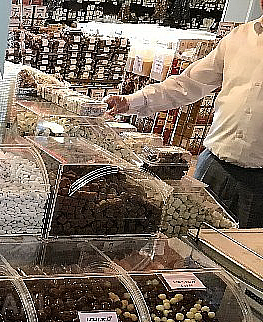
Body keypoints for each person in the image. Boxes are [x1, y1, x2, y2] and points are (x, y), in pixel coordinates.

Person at [105, 12, 263, 228]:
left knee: (245, 247)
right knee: (189, 236)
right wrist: (130, 102)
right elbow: (187, 84)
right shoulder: (239, 37)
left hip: (259, 182)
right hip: (213, 166)